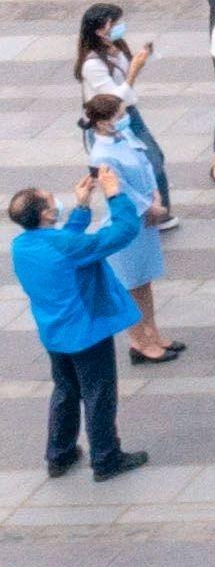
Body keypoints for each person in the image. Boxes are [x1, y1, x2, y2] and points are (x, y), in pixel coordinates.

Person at [15, 166, 152, 477]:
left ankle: (59, 454)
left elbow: (63, 244)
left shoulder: (22, 245)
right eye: (52, 202)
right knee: (99, 392)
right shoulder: (65, 247)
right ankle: (106, 457)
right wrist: (114, 194)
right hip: (86, 331)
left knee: (65, 390)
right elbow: (122, 232)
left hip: (54, 332)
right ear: (47, 215)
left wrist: (81, 207)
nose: (56, 204)